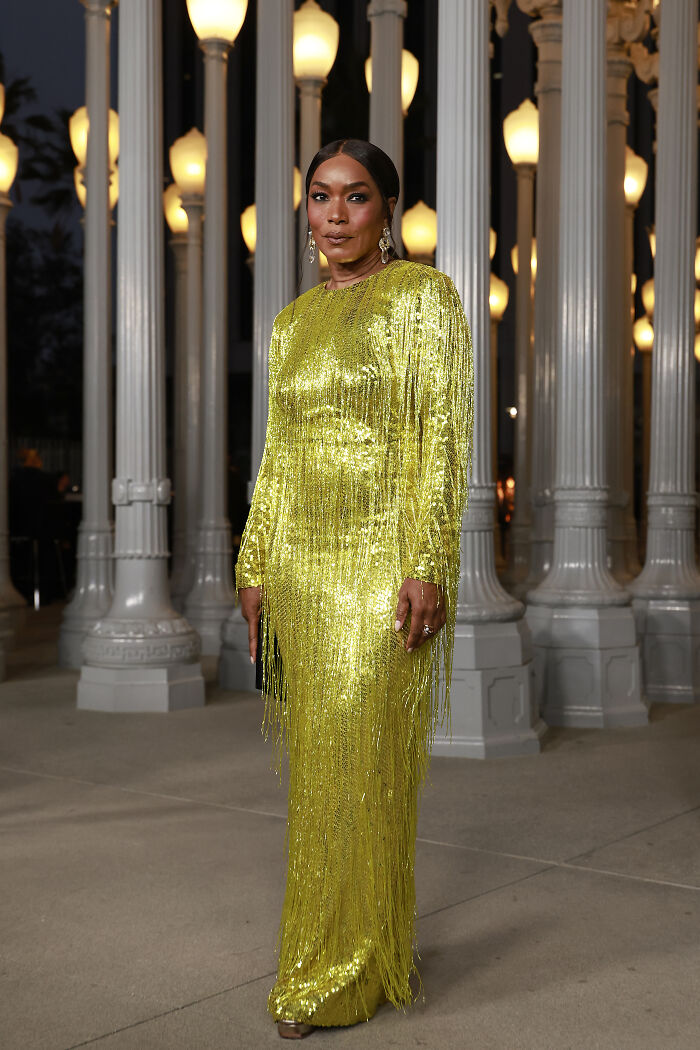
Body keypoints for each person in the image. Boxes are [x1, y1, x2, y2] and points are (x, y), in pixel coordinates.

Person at [235, 138, 474, 1039]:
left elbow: (440, 440)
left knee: (367, 767)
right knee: (319, 778)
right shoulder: (292, 323)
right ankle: (329, 956)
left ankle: (355, 967)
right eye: (322, 197)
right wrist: (255, 564)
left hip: (380, 572)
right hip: (300, 568)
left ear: (388, 209)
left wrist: (428, 562)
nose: (335, 215)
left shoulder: (423, 299)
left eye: (357, 197)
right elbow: (278, 456)